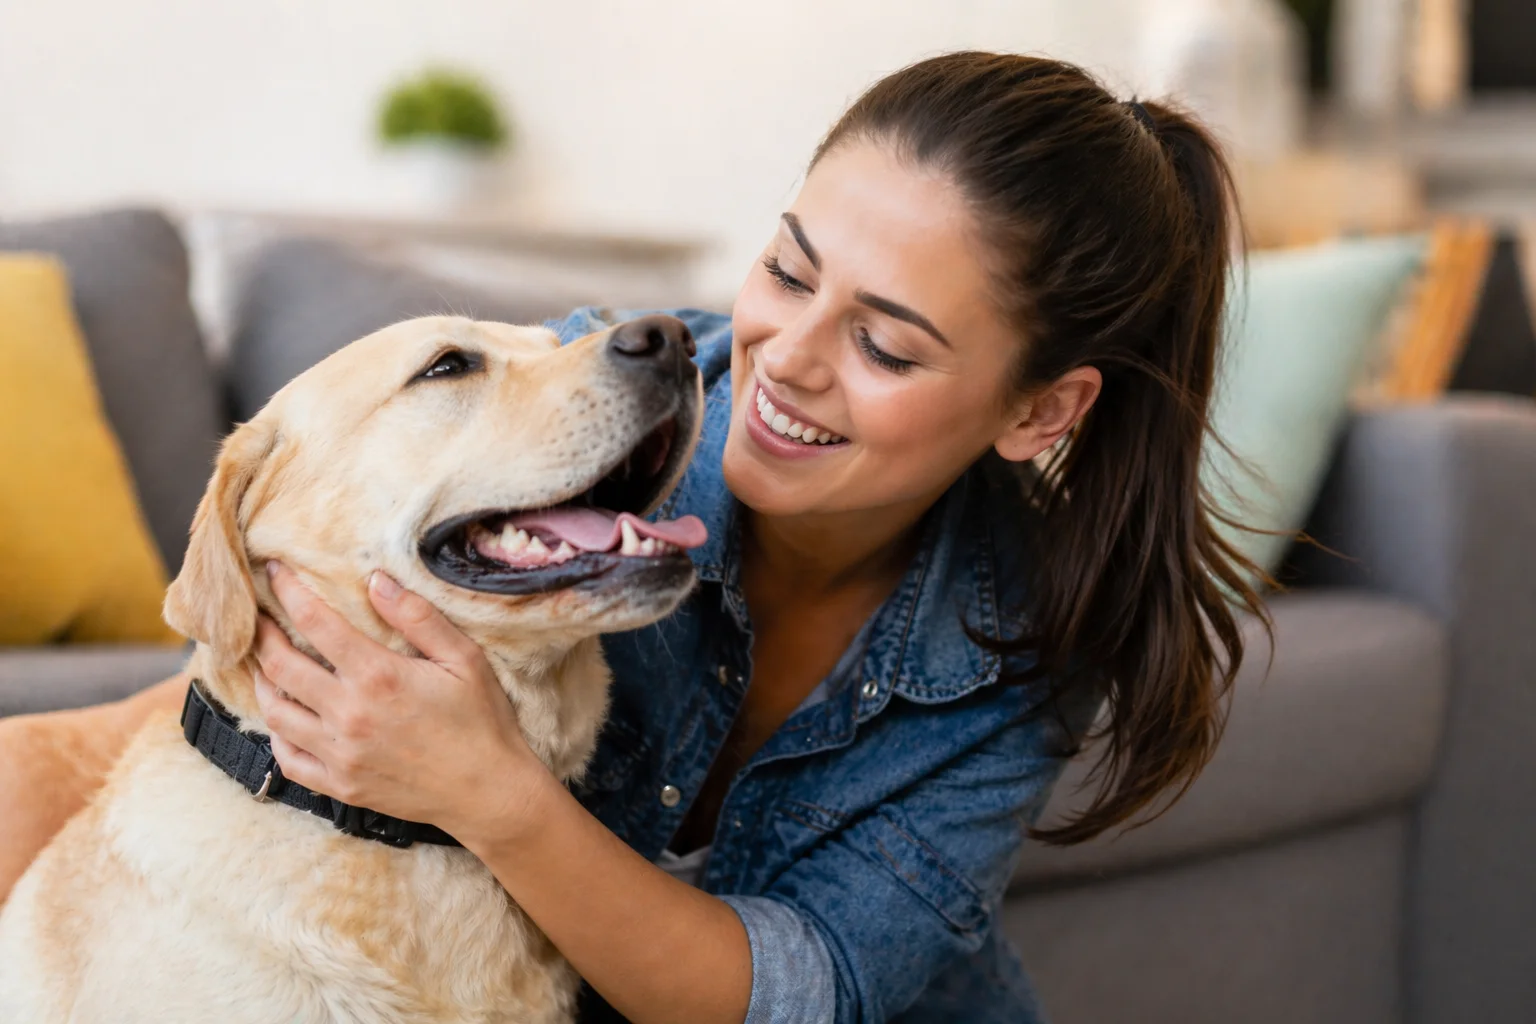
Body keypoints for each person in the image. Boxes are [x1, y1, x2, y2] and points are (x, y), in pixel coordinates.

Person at [0, 51, 1268, 1023]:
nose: (788, 362)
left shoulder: (1028, 641)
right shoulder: (604, 399)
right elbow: (273, 657)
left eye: (884, 344)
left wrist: (492, 792)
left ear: (1041, 408)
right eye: (785, 269)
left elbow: (804, 989)